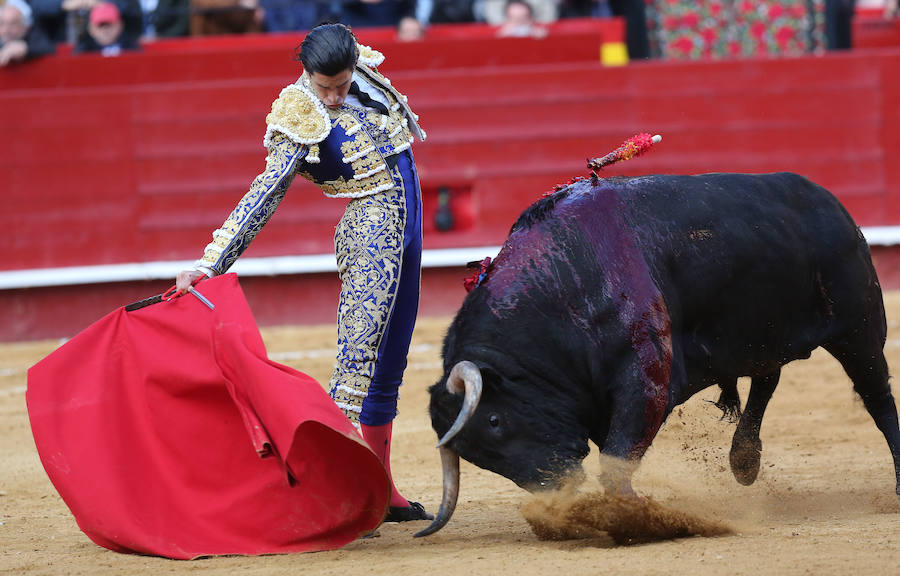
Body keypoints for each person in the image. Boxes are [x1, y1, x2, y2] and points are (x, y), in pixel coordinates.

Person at [175, 23, 432, 524]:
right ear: (306, 74)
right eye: (324, 86)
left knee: (391, 357)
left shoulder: (364, 70)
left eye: (341, 84)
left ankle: (381, 490)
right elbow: (267, 190)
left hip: (409, 211)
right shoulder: (297, 110)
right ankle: (331, 494)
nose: (334, 97)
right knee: (357, 361)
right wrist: (211, 262)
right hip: (372, 227)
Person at [0, 0, 55, 66]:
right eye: (2, 23)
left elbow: (49, 48)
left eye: (13, 24)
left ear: (25, 27)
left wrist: (25, 49)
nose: (6, 30)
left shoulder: (33, 37)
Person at [74, 1, 139, 54]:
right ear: (91, 28)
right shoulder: (84, 49)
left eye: (109, 24)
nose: (105, 30)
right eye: (100, 25)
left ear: (120, 25)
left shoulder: (130, 47)